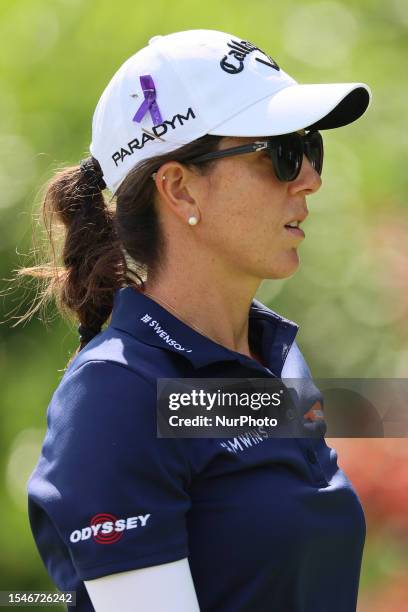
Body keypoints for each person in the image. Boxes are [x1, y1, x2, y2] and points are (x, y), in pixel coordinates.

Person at [25, 29, 371, 611]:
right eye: (281, 154)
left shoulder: (272, 356)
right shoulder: (117, 392)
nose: (310, 177)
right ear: (181, 190)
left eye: (311, 148)